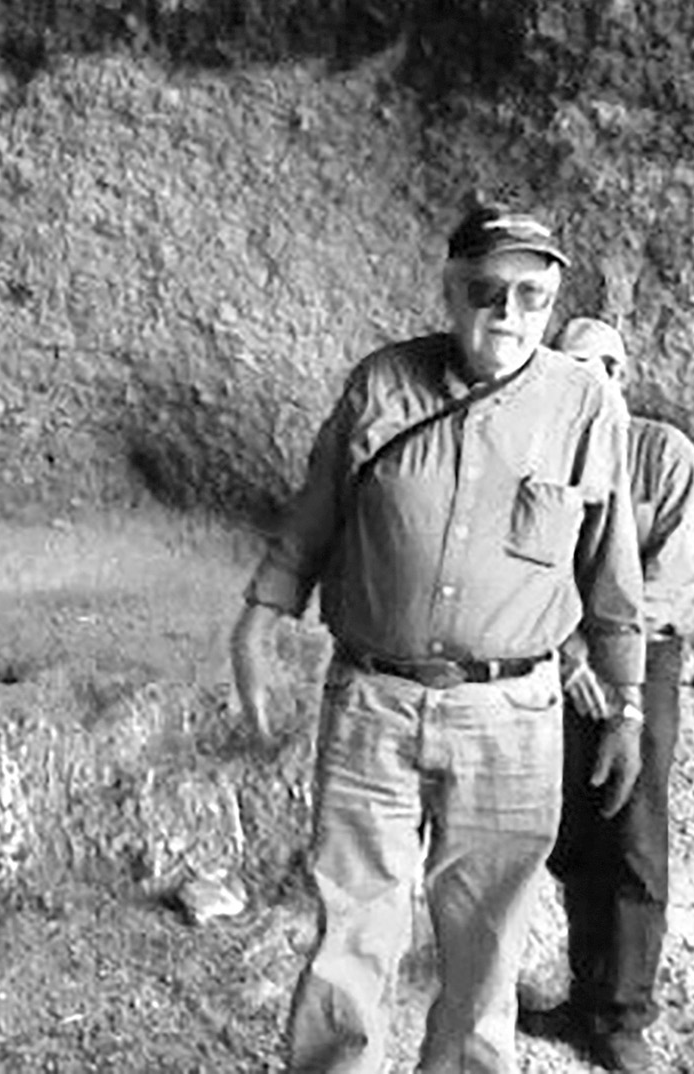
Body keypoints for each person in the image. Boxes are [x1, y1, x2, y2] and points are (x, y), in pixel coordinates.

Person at [231, 199, 647, 1074]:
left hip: (512, 714)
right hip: (373, 700)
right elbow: (316, 514)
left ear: (553, 298)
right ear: (451, 293)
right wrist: (260, 618)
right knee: (353, 926)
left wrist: (629, 705)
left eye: (531, 295)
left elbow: (613, 569)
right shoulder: (383, 383)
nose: (508, 315)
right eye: (485, 291)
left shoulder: (585, 406)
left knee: (488, 935)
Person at [524, 319, 694, 1073]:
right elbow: (531, 566)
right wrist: (569, 647)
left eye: (599, 366)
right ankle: (582, 995)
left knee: (634, 831)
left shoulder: (662, 453)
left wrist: (615, 662)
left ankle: (624, 1015)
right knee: (576, 832)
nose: (587, 380)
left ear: (621, 373)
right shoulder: (544, 450)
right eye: (570, 366)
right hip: (561, 660)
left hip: (644, 661)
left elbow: (675, 571)